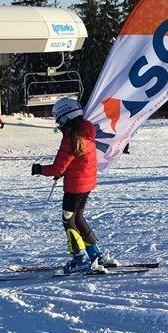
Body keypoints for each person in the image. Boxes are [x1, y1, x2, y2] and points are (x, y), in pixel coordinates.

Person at [31, 98, 112, 274]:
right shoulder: (87, 129)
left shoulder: (71, 137)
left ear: (66, 116)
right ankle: (95, 255)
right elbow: (75, 160)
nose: (58, 123)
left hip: (75, 186)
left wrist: (39, 169)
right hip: (86, 183)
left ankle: (80, 259)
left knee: (68, 220)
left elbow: (57, 168)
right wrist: (63, 170)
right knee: (78, 218)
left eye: (58, 118)